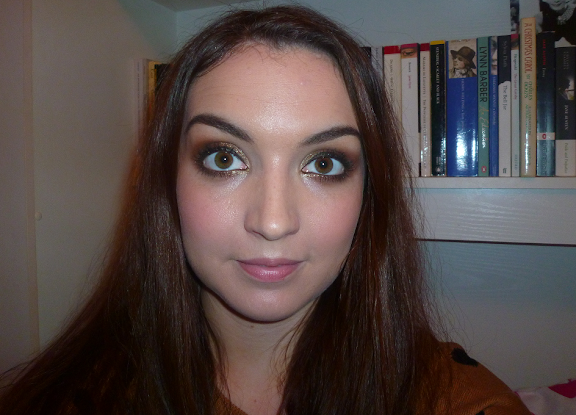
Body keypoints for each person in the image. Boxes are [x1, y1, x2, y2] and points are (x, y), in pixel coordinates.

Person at [0, 6, 530, 415]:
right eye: (225, 158)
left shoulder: (464, 403)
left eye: (323, 164)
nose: (273, 222)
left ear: (370, 193)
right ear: (167, 182)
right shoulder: (64, 400)